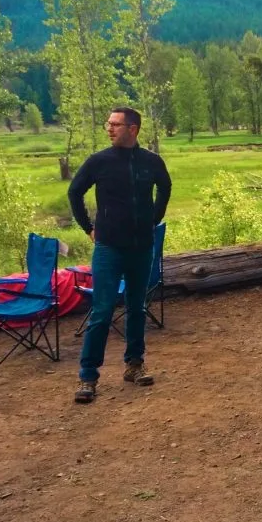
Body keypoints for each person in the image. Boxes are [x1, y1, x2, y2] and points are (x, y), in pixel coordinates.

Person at [68, 107, 172, 404]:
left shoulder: (151, 162)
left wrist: (154, 219)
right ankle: (88, 377)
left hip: (141, 247)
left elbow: (165, 188)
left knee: (137, 307)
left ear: (133, 129)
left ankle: (134, 365)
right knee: (101, 311)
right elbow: (75, 192)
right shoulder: (99, 161)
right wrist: (88, 228)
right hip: (109, 248)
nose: (110, 129)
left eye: (116, 124)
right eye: (108, 124)